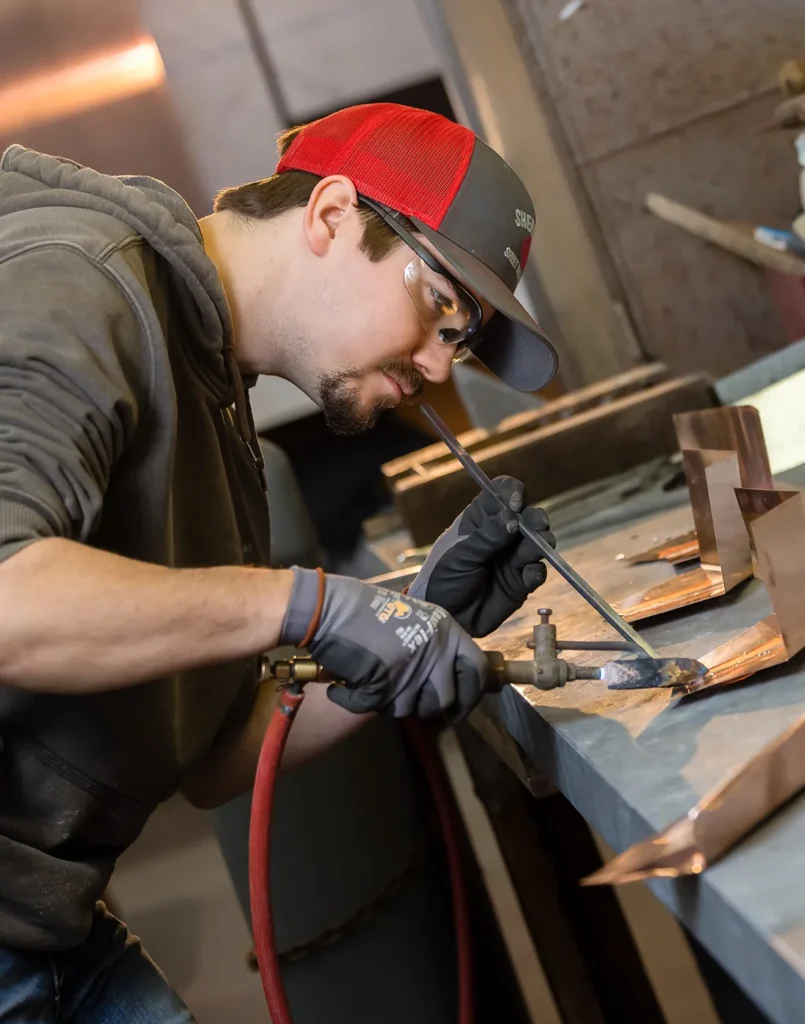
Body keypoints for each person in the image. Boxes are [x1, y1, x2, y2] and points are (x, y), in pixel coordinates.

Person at [0, 103, 558, 1021]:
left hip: (48, 927)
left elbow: (217, 758)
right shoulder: (76, 284)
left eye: (456, 343)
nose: (435, 367)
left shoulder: (215, 396)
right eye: (439, 307)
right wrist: (303, 605)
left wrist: (406, 628)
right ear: (333, 215)